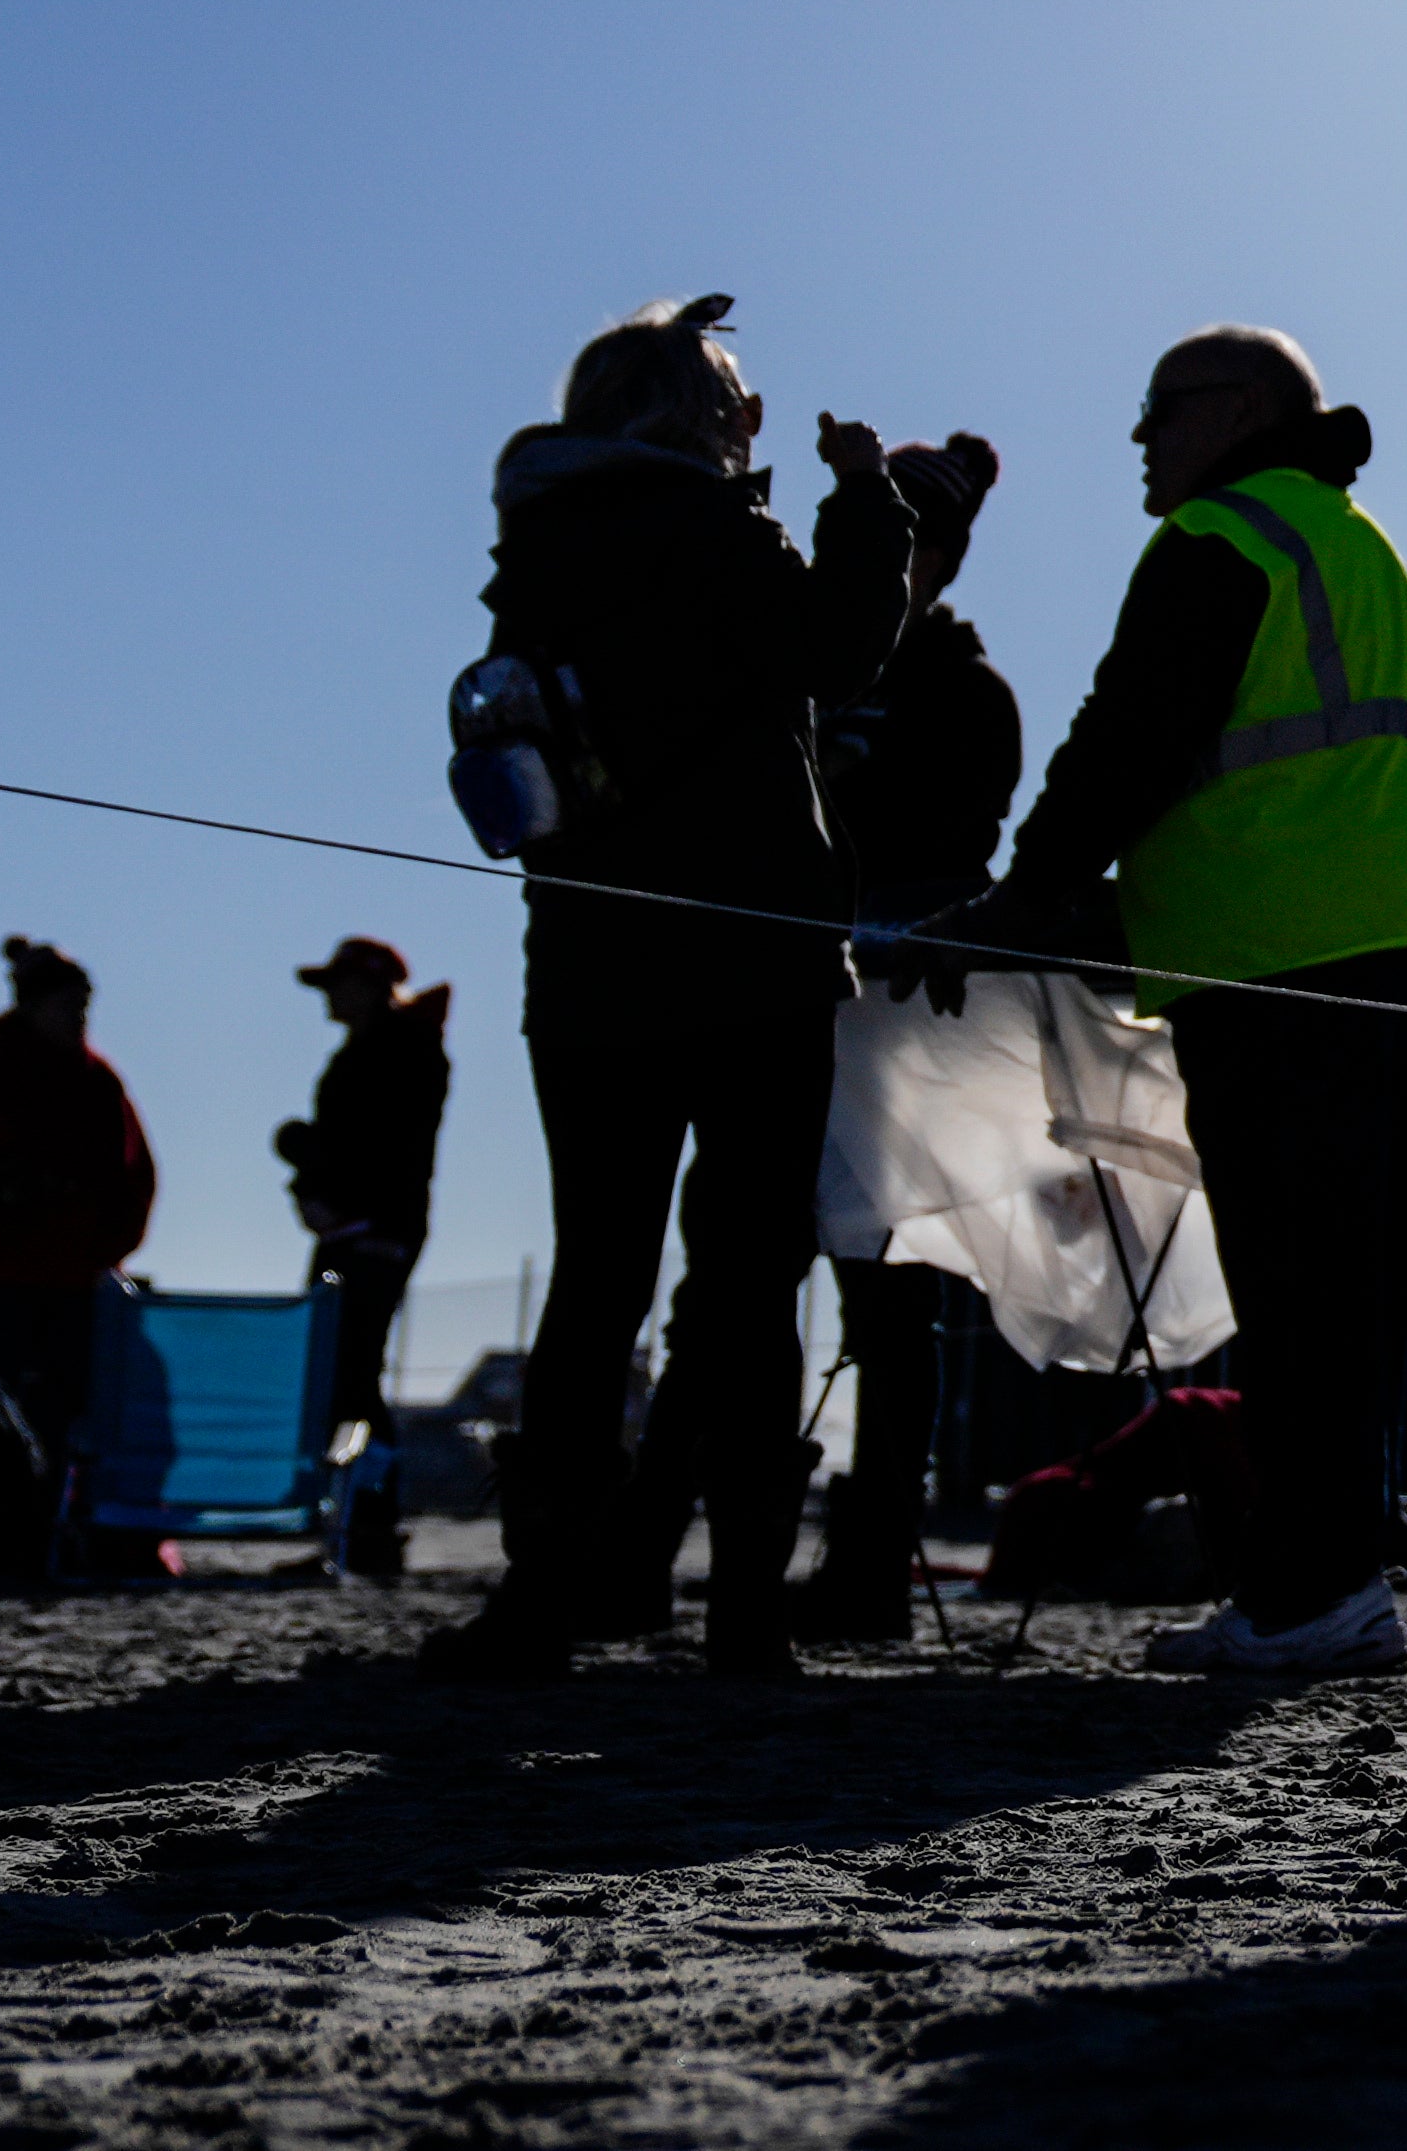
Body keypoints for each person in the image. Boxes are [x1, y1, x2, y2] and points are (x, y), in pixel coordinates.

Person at [981, 328, 1407, 1680]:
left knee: (1297, 1286)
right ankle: (1326, 1580)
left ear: (1239, 409)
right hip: (1392, 935)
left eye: (1159, 409)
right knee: (1348, 1289)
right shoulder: (1348, 535)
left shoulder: (1225, 532)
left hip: (1284, 947)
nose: (1139, 437)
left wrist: (1024, 897)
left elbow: (1128, 734)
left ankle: (1315, 1589)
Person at [422, 292, 911, 1685]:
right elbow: (838, 650)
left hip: (587, 956)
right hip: (752, 949)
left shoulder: (536, 544)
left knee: (594, 1275)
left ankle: (539, 1597)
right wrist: (866, 496)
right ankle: (746, 1612)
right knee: (751, 1276)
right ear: (697, 418)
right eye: (732, 398)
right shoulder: (717, 527)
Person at [806, 435, 1015, 1641]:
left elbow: (956, 853)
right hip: (777, 1008)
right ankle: (659, 1540)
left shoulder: (963, 691)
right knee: (729, 1277)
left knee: (893, 1304)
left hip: (899, 1033)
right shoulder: (807, 666)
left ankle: (873, 1557)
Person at [0, 936, 156, 1446]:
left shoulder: (100, 1084)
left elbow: (135, 1180)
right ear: (30, 1006)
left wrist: (102, 1254)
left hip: (77, 1292)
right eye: (66, 1005)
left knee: (70, 1426)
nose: (78, 1016)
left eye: (83, 1005)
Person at [276, 934, 452, 1545]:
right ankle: (356, 1521)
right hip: (360, 1231)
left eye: (338, 983)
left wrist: (308, 1154)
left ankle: (367, 1522)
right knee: (344, 1371)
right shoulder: (376, 1051)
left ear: (372, 987)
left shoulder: (400, 1052)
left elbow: (378, 1152)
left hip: (373, 1235)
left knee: (350, 1373)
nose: (328, 996)